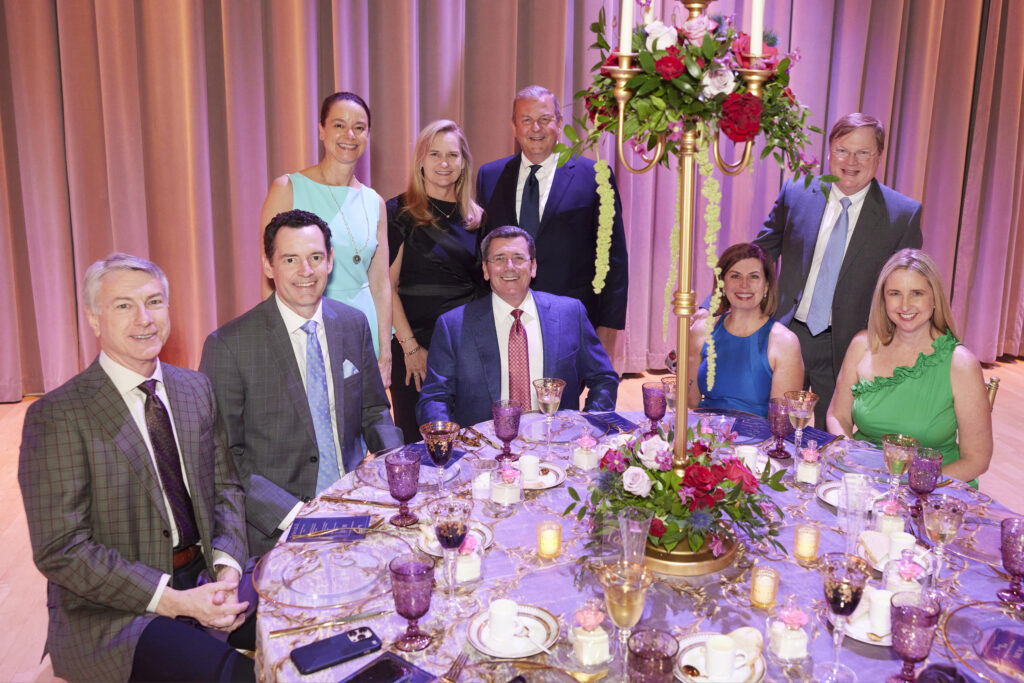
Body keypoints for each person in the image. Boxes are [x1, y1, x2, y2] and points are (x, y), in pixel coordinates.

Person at [19, 254, 256, 682]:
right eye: (124, 305)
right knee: (239, 677)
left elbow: (226, 488)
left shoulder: (195, 388)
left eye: (154, 302)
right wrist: (175, 601)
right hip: (114, 610)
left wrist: (226, 568)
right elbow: (61, 548)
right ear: (94, 319)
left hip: (205, 574)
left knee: (307, 639)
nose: (144, 319)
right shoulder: (57, 415)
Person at [200, 210, 402, 556]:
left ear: (330, 261)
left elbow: (373, 410)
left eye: (315, 258)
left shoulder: (352, 324)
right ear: (268, 265)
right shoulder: (230, 345)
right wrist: (300, 516)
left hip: (358, 508)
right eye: (290, 259)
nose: (305, 271)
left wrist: (396, 466)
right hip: (280, 528)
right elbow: (224, 458)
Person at [754, 113, 922, 425]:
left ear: (879, 156)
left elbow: (907, 291)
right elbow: (756, 257)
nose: (851, 161)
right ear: (829, 150)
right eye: (842, 150)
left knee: (826, 441)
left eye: (863, 152)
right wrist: (716, 305)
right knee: (775, 429)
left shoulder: (902, 214)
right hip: (789, 334)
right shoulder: (797, 192)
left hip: (848, 346)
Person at [476, 85, 628, 356]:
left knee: (564, 398)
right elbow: (482, 254)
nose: (536, 128)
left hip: (572, 323)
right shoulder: (489, 176)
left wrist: (609, 328)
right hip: (504, 320)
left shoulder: (595, 177)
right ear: (514, 126)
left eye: (545, 119)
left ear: (559, 124)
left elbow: (614, 260)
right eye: (526, 120)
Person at [417, 225, 619, 427]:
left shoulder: (570, 313)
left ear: (533, 267)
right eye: (499, 258)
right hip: (484, 450)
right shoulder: (453, 326)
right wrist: (448, 444)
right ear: (486, 270)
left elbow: (603, 378)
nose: (509, 266)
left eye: (519, 258)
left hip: (555, 445)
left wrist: (589, 427)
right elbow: (434, 398)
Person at [826, 249, 992, 486]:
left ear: (934, 299)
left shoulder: (960, 364)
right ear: (883, 299)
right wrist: (850, 456)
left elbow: (977, 459)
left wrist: (913, 484)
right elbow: (837, 415)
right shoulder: (862, 346)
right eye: (895, 293)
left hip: (933, 488)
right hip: (865, 479)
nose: (905, 305)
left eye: (917, 293)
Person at [260, 91, 392, 386]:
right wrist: (276, 341)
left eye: (359, 127)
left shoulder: (375, 202)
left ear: (368, 135)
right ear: (321, 130)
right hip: (306, 325)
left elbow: (381, 285)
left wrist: (385, 355)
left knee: (360, 426)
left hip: (362, 330)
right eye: (338, 125)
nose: (350, 135)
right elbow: (270, 277)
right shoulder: (287, 188)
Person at [387, 120, 488, 442]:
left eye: (452, 155)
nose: (444, 163)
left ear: (464, 163)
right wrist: (411, 347)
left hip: (466, 343)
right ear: (420, 160)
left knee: (471, 437)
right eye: (434, 154)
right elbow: (384, 288)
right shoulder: (398, 211)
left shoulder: (478, 219)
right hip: (414, 344)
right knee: (418, 439)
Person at [687, 243, 804, 418]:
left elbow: (781, 422)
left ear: (766, 287)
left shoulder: (784, 342)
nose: (744, 284)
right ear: (722, 285)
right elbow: (689, 403)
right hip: (706, 436)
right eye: (735, 276)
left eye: (754, 277)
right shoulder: (701, 331)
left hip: (758, 441)